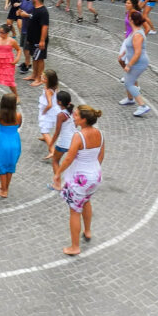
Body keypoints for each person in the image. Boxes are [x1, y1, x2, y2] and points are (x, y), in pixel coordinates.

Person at [54, 104, 104, 255]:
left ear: (83, 120)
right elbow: (101, 155)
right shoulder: (100, 134)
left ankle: (74, 247)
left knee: (75, 211)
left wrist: (58, 173)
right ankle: (87, 230)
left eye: (76, 116)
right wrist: (94, 171)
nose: (73, 117)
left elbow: (69, 158)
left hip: (80, 178)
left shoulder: (79, 136)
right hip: (95, 175)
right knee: (86, 201)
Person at [0, 94, 22, 198]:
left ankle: (4, 190)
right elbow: (18, 125)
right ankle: (5, 185)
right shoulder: (18, 115)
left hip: (2, 143)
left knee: (1, 165)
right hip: (15, 142)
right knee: (10, 165)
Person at [118, 10, 152, 117]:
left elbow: (137, 53)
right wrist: (123, 53)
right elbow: (130, 46)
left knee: (129, 83)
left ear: (131, 20)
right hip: (136, 61)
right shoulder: (135, 31)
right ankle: (130, 99)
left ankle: (142, 106)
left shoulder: (137, 34)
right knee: (129, 80)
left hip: (139, 62)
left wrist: (128, 65)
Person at [19, 0, 50, 86]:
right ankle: (34, 75)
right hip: (32, 39)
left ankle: (39, 78)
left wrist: (42, 41)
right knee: (34, 58)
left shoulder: (43, 11)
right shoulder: (35, 9)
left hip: (39, 40)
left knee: (39, 59)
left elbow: (45, 27)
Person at [49, 89, 77, 178]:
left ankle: (57, 182)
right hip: (74, 141)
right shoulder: (72, 111)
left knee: (55, 160)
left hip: (63, 142)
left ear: (59, 102)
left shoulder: (61, 115)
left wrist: (51, 143)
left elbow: (57, 132)